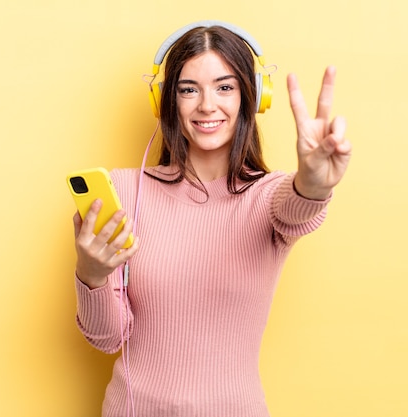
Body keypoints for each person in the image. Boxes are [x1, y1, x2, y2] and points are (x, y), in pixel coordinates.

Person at [71, 21, 351, 417]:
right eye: (189, 89)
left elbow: (297, 208)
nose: (206, 105)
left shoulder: (268, 195)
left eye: (225, 87)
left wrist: (314, 183)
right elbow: (107, 338)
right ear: (166, 100)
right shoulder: (122, 192)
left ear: (251, 98)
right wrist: (92, 274)